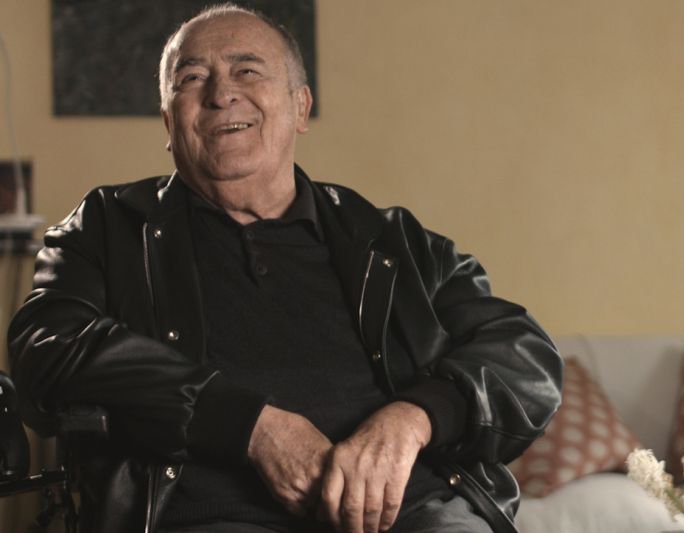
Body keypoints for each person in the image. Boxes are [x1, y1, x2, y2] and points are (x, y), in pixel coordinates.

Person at [7, 4, 562, 533]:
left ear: (300, 107)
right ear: (169, 122)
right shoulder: (108, 226)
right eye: (192, 78)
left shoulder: (393, 241)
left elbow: (524, 353)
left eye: (247, 70)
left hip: (412, 513)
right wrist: (249, 427)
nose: (221, 94)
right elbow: (45, 345)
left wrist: (414, 418)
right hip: (208, 517)